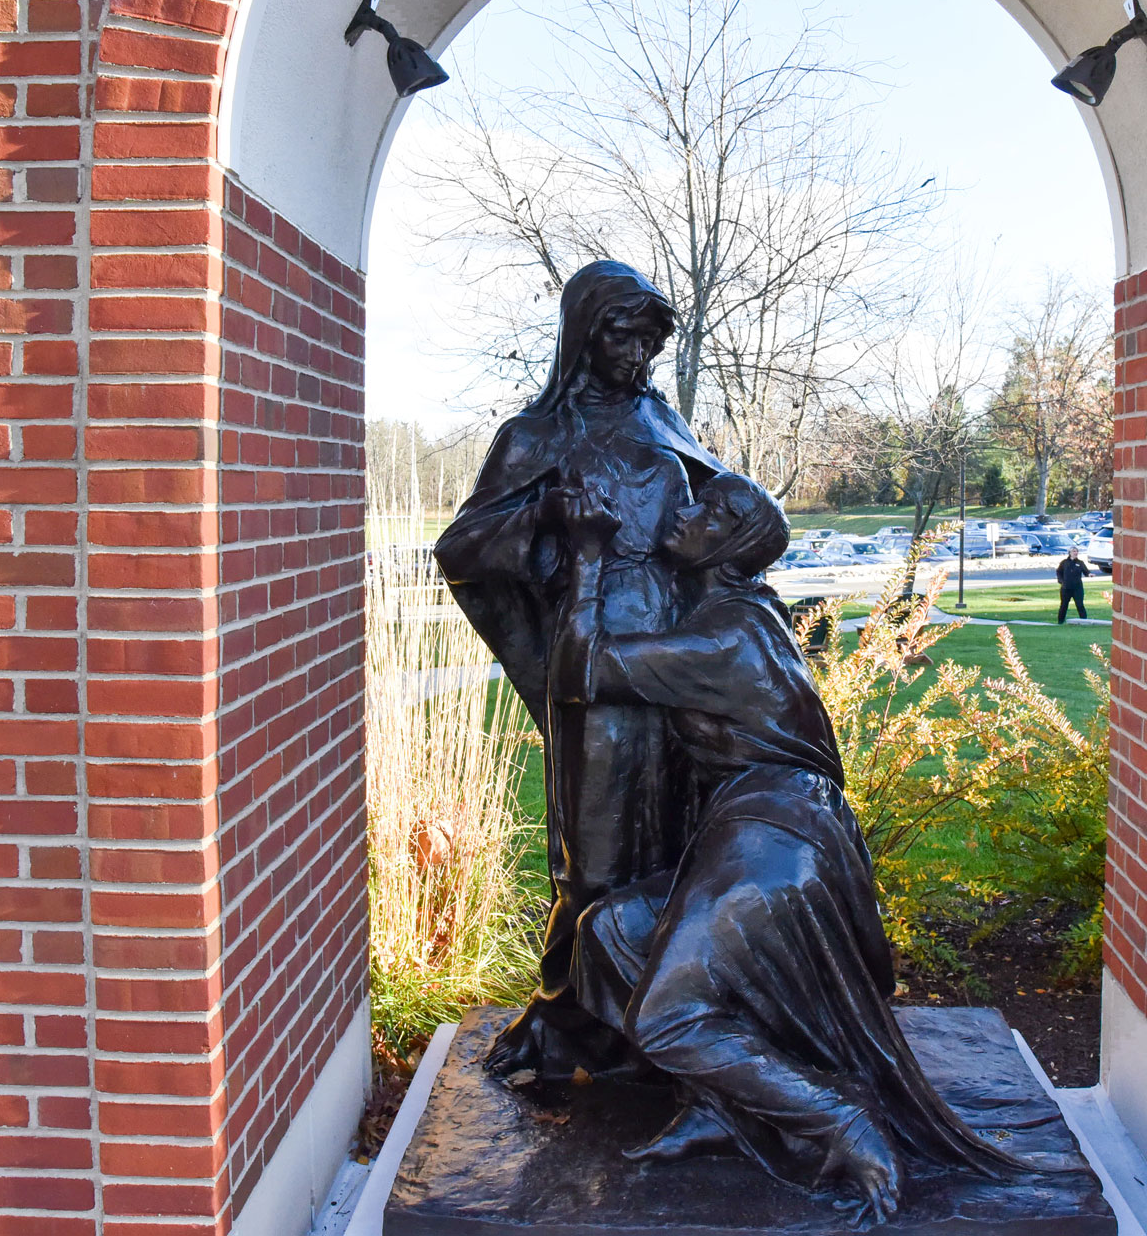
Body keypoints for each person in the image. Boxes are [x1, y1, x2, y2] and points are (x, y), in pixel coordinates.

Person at [548, 471, 1048, 1223]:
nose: (685, 513)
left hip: (775, 838)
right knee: (611, 932)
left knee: (667, 1016)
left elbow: (576, 671)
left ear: (732, 544)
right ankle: (724, 1104)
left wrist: (587, 554)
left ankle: (837, 1115)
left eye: (708, 511)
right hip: (765, 827)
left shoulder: (728, 636)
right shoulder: (740, 614)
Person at [434, 261, 723, 1077]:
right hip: (592, 659)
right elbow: (460, 548)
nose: (637, 354)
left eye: (648, 339)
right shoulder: (534, 438)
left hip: (676, 657)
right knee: (594, 851)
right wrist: (545, 512)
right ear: (583, 332)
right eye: (622, 334)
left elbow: (720, 518)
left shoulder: (663, 417)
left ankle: (664, 1024)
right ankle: (575, 1019)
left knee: (677, 834)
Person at [1056, 546, 1089, 623]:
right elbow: (1059, 572)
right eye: (1074, 551)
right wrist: (1061, 581)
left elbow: (1086, 571)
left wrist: (1089, 574)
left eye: (1076, 551)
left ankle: (1084, 621)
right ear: (1070, 553)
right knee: (1064, 605)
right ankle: (1060, 621)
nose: (1075, 553)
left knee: (1080, 604)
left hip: (1077, 588)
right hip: (1066, 588)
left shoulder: (1080, 563)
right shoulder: (1064, 562)